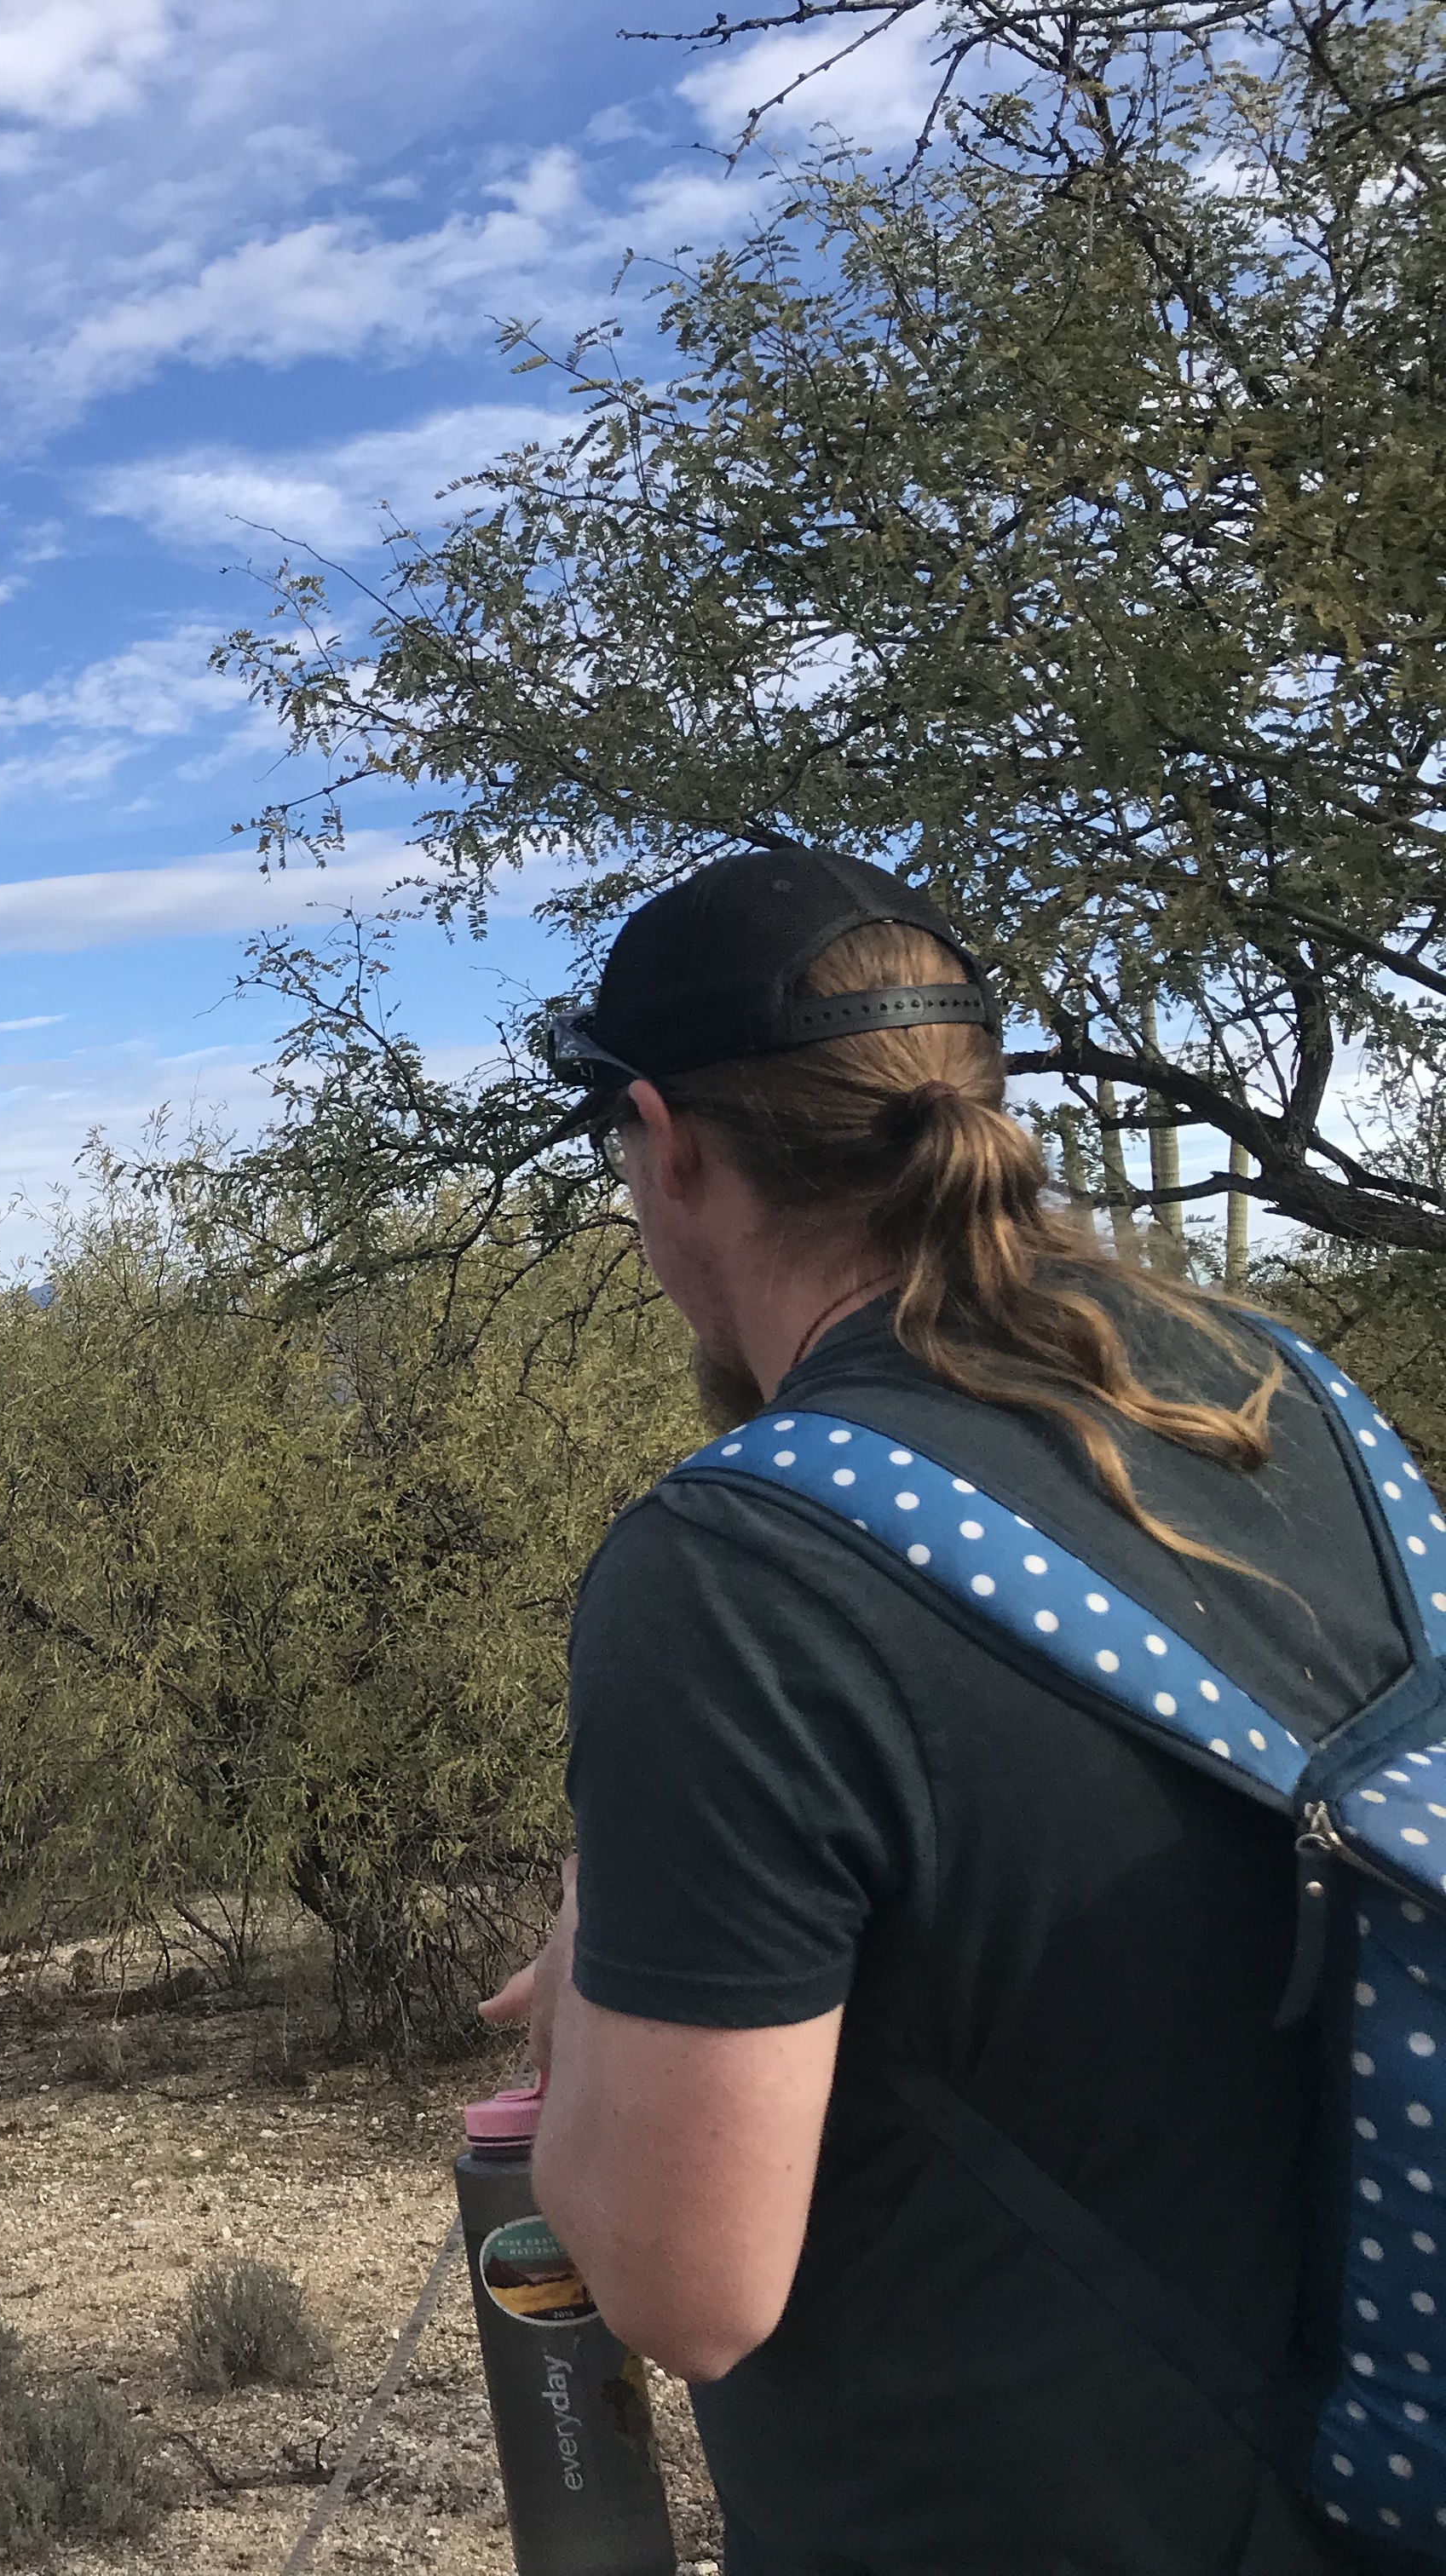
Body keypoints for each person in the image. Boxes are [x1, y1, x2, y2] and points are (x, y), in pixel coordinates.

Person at [481, 846, 1386, 2573]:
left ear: (669, 1143)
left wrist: (603, 1963)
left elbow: (691, 2288)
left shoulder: (740, 1571)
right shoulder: (1290, 1409)